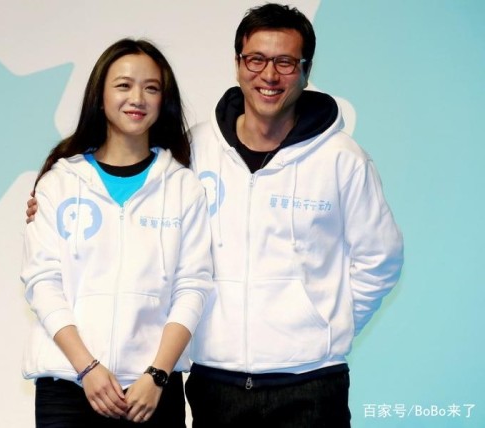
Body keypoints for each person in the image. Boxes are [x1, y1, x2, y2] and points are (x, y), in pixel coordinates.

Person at [26, 5, 404, 427]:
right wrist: (50, 195)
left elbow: (381, 259)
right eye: (256, 59)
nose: (269, 75)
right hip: (215, 385)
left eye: (284, 62)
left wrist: (324, 326)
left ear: (305, 70)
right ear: (238, 64)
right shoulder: (197, 150)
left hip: (311, 383)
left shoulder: (341, 158)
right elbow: (125, 186)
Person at [21, 38, 213, 428]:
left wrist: (157, 374)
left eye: (151, 88)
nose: (137, 98)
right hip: (68, 388)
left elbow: (192, 286)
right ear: (101, 96)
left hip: (152, 391)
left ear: (163, 100)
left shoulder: (183, 187)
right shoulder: (60, 182)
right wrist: (87, 368)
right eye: (124, 85)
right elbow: (42, 281)